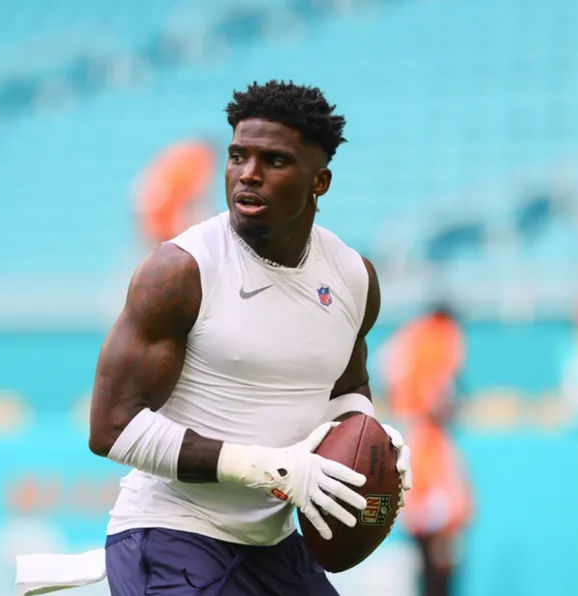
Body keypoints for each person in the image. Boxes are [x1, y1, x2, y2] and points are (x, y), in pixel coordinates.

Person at [88, 80, 411, 595]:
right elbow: (112, 430)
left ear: (319, 181)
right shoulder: (179, 271)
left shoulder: (352, 277)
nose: (247, 175)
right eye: (238, 156)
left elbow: (346, 388)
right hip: (172, 534)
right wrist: (266, 467)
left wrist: (374, 440)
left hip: (273, 542)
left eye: (274, 161)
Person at [381, 307, 472, 596]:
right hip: (432, 523)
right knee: (434, 577)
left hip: (433, 520)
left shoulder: (432, 438)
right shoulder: (424, 437)